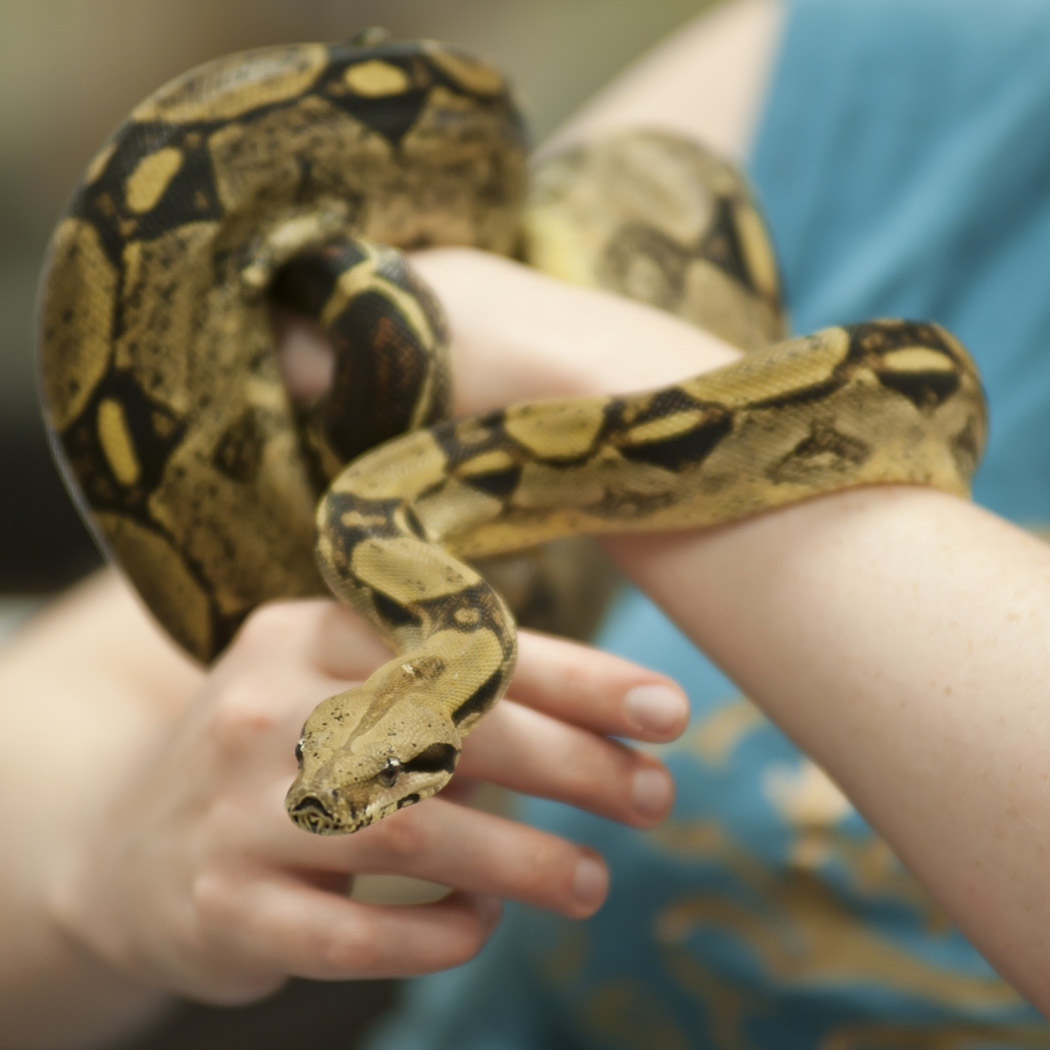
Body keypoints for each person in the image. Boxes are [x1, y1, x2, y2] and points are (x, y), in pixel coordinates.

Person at [4, 1, 1050, 1049]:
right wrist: (97, 883)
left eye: (372, 771)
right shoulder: (909, 57)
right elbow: (64, 725)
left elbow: (492, 324)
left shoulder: (408, 534)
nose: (322, 791)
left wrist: (587, 362)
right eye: (341, 753)